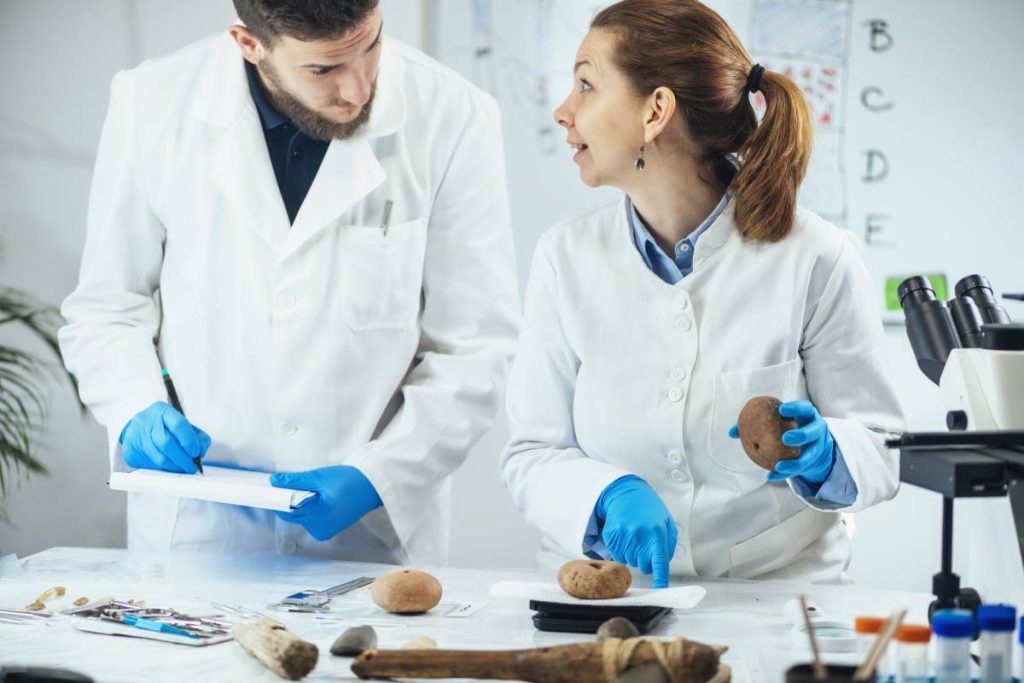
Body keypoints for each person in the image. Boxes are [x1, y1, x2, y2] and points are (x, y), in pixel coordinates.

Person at [59, 0, 519, 565]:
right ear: (249, 43)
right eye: (323, 70)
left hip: (370, 534)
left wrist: (378, 475)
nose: (358, 90)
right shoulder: (152, 103)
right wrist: (133, 407)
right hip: (201, 528)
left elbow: (474, 345)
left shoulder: (454, 115)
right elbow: (108, 304)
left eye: (371, 45)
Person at [501, 0, 904, 586]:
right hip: (611, 593)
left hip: (776, 596)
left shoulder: (816, 256)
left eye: (586, 85)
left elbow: (881, 444)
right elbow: (531, 453)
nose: (564, 111)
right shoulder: (564, 259)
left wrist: (828, 455)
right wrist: (606, 493)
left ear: (655, 111)